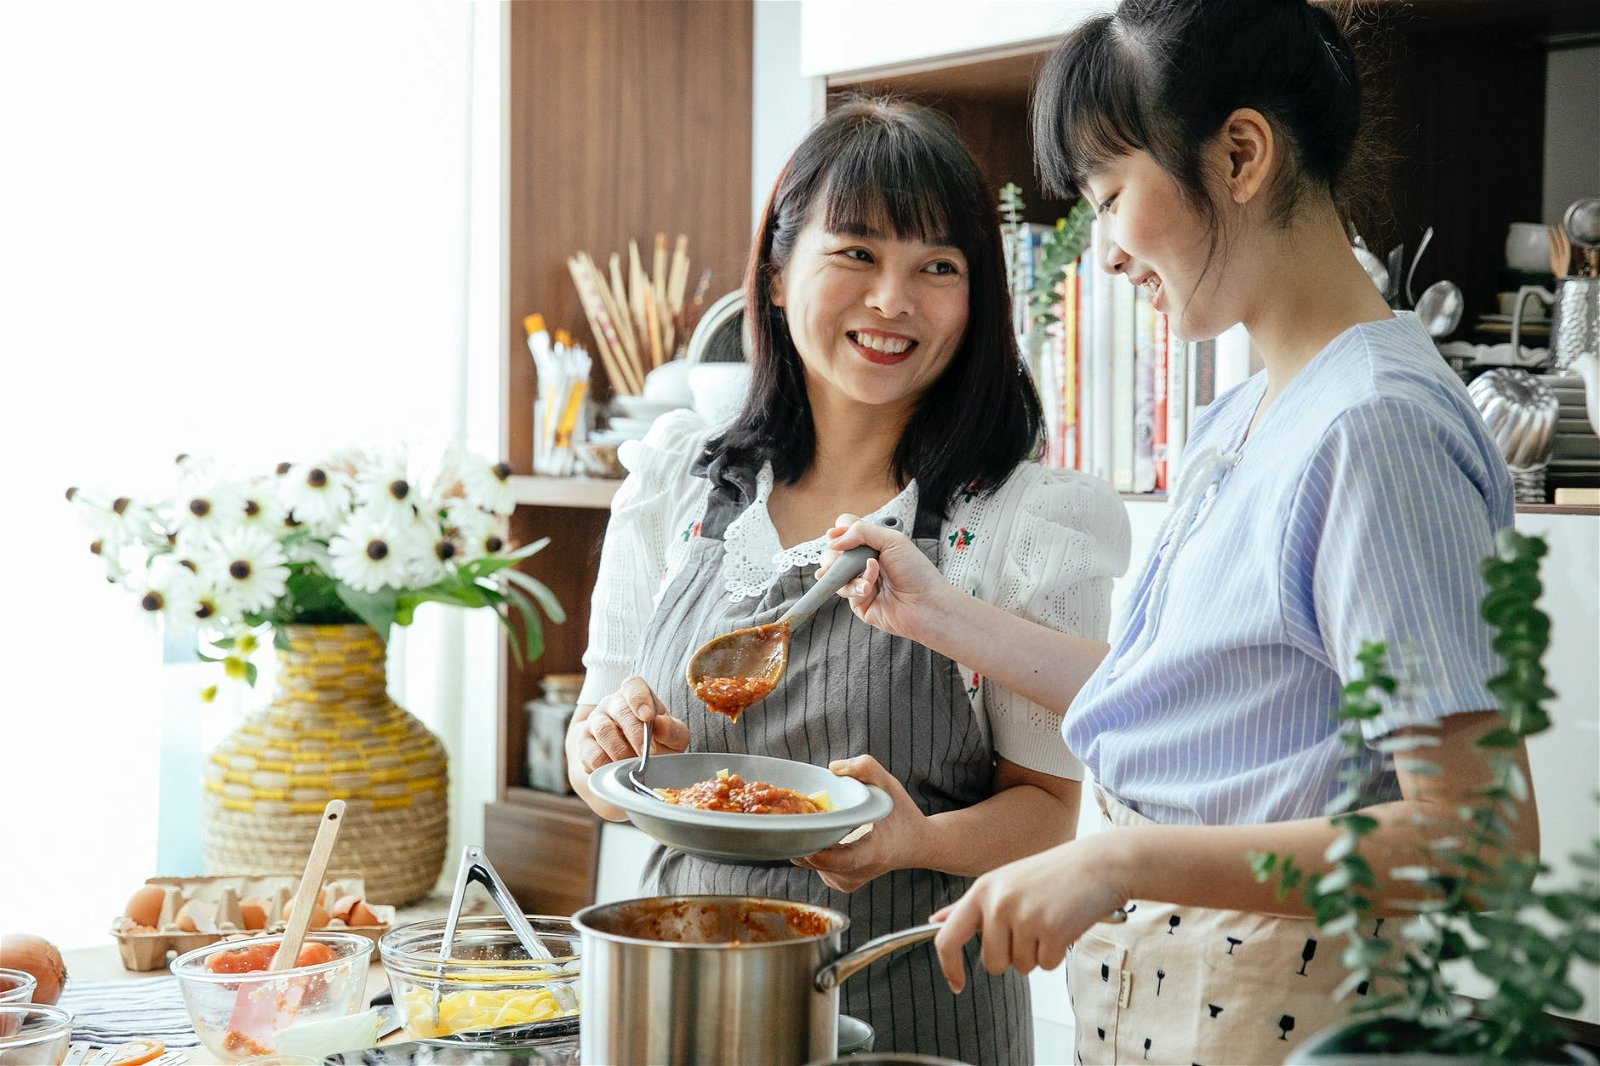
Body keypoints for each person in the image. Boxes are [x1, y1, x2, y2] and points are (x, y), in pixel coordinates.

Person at [819, 4, 1537, 1064]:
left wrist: (1118, 861)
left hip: (1290, 1001)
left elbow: (1478, 843)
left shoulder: (1372, 427)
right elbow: (1191, 703)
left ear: (1239, 155)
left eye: (1110, 197)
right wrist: (935, 613)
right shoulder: (1246, 411)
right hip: (1181, 990)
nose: (1102, 252)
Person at [564, 98, 1130, 1062]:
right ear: (778, 276)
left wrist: (915, 842)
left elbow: (1048, 810)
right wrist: (614, 749)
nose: (892, 301)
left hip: (917, 1002)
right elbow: (599, 763)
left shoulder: (1022, 524)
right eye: (857, 254)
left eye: (936, 267)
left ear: (975, 298)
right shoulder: (679, 481)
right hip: (684, 994)